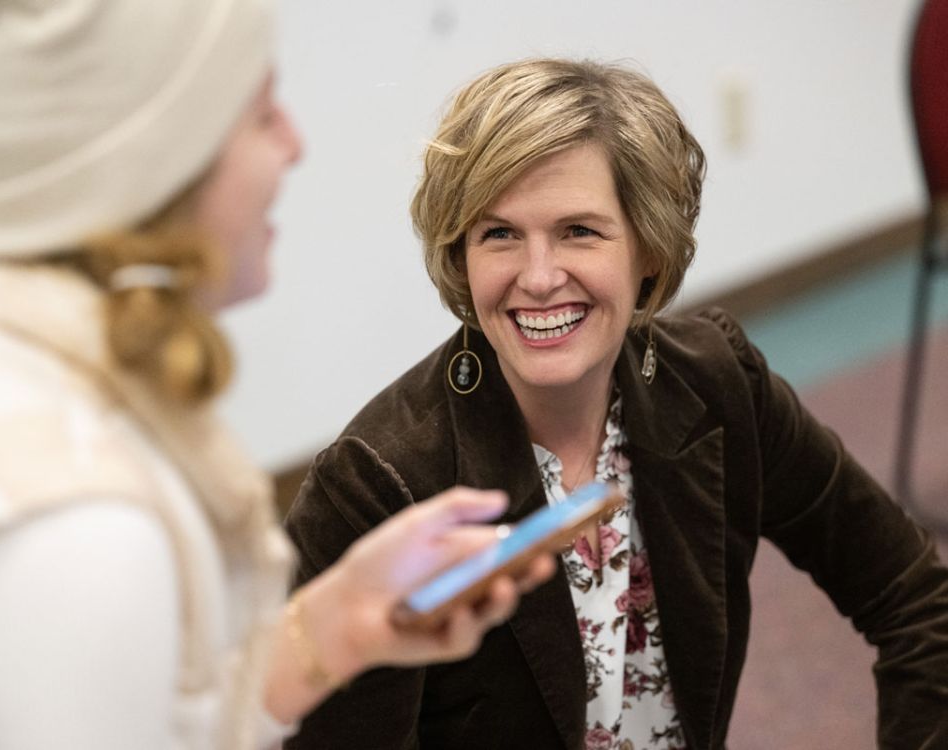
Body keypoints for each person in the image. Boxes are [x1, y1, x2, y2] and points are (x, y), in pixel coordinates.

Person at [283, 58, 948, 749]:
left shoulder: (718, 385)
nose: (538, 278)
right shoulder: (376, 486)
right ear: (461, 256)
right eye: (499, 233)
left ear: (649, 249)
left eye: (580, 231)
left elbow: (914, 598)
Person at [0, 3, 556, 749]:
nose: (295, 145)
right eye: (263, 113)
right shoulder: (77, 526)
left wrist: (331, 625)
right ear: (159, 160)